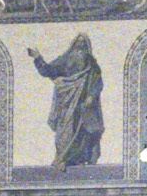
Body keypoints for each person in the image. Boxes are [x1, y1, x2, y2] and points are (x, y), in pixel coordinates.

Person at [27, 33, 105, 167]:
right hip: (67, 103)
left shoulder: (91, 64)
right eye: (77, 44)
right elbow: (48, 70)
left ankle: (79, 160)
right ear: (73, 46)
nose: (79, 48)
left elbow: (98, 81)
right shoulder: (65, 59)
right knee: (64, 131)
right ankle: (63, 158)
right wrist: (37, 57)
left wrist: (91, 96)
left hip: (84, 105)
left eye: (83, 45)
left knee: (84, 131)